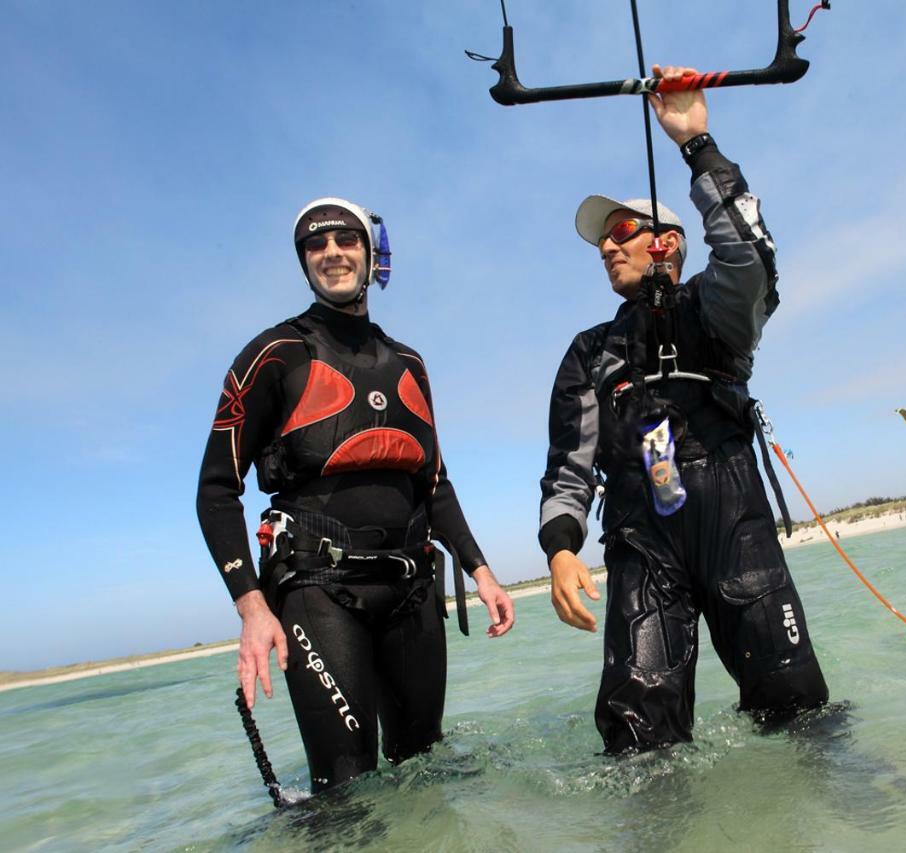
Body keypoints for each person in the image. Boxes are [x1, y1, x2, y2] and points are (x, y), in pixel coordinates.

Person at [538, 65, 829, 754]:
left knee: (800, 711)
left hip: (736, 525)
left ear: (665, 242)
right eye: (603, 239)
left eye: (622, 231)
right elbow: (567, 469)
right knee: (639, 743)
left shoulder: (718, 309)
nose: (608, 245)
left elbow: (750, 253)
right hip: (642, 542)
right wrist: (559, 550)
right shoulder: (590, 350)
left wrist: (695, 143)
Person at [196, 197, 514, 792]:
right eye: (315, 245)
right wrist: (251, 605)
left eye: (346, 240)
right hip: (318, 591)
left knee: (426, 769)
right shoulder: (274, 354)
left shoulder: (410, 363)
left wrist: (482, 570)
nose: (332, 252)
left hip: (412, 585)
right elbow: (216, 489)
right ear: (304, 263)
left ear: (372, 256)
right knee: (346, 789)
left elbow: (435, 481)